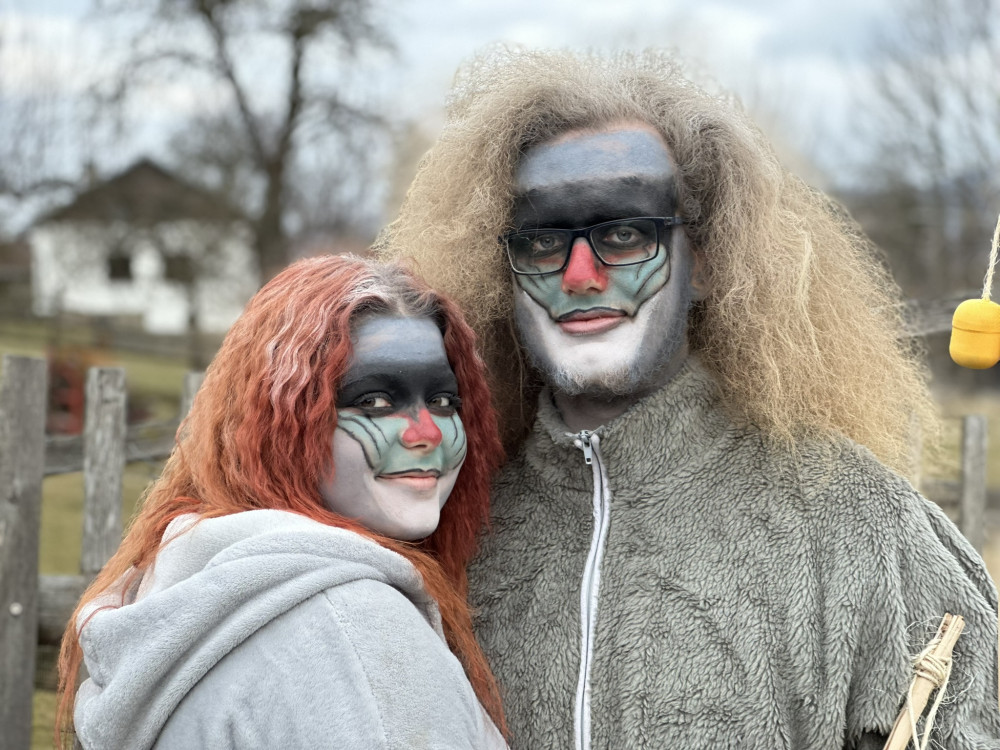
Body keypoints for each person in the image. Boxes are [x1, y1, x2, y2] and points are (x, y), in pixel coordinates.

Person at [377, 48, 1000, 748]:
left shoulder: (865, 529)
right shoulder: (453, 534)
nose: (579, 275)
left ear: (702, 260)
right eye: (544, 241)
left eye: (623, 235)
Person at [56, 255, 507, 749]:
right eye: (375, 401)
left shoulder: (187, 572)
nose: (426, 433)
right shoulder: (362, 630)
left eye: (443, 401)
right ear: (279, 423)